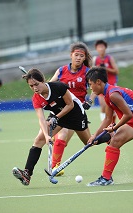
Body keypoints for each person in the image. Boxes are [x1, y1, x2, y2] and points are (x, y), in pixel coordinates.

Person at [12, 68, 110, 186]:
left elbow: (70, 105)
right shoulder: (36, 98)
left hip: (75, 115)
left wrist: (56, 117)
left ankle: (108, 135)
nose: (35, 88)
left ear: (42, 81)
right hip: (57, 116)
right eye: (31, 86)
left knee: (89, 142)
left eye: (36, 84)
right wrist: (47, 135)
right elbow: (41, 119)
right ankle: (27, 174)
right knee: (39, 140)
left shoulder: (58, 87)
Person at [49, 41, 95, 176]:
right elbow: (50, 85)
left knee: (88, 142)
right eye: (76, 55)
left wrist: (90, 101)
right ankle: (55, 167)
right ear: (71, 55)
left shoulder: (87, 72)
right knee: (61, 136)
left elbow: (96, 88)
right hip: (62, 109)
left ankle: (108, 135)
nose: (79, 58)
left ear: (85, 58)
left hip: (76, 112)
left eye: (82, 56)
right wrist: (39, 85)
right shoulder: (62, 70)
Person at [93, 39, 119, 122]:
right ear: (96, 49)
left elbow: (116, 71)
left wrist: (105, 69)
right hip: (100, 85)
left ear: (105, 48)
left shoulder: (109, 58)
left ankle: (113, 124)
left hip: (111, 85)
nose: (101, 49)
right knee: (103, 105)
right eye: (99, 47)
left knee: (112, 106)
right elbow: (93, 72)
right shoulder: (95, 59)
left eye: (102, 47)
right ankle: (104, 126)